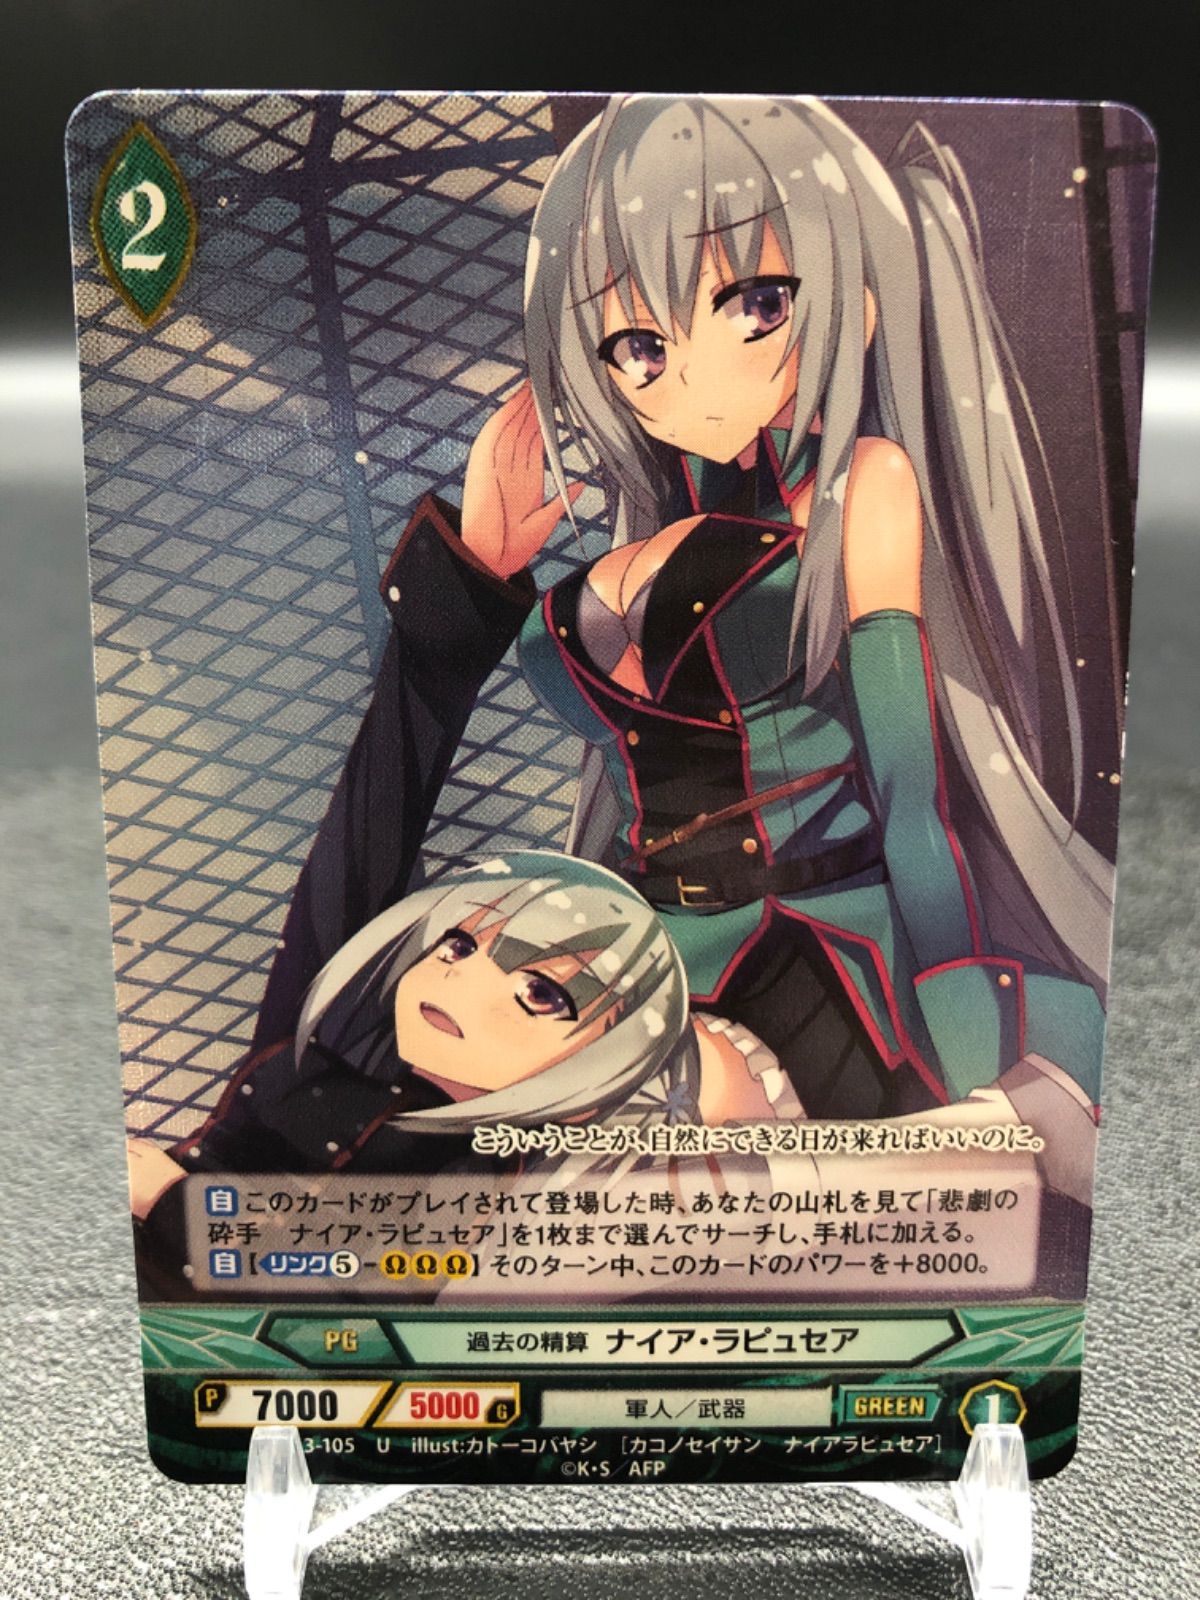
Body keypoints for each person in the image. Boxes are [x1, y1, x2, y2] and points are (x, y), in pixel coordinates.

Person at [244, 94, 1112, 1129]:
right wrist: (478, 568)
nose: (690, 374)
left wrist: (958, 1014)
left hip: (824, 954)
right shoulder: (642, 524)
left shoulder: (861, 487)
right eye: (638, 346)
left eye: (755, 304)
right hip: (635, 957)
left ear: (852, 298)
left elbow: (909, 794)